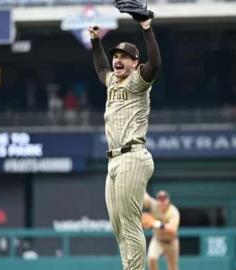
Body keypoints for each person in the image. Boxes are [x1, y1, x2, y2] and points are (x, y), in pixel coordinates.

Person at [89, 16, 161, 270]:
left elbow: (155, 63)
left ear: (134, 63)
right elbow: (100, 69)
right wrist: (96, 42)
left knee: (130, 223)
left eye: (123, 56)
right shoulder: (112, 81)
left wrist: (146, 28)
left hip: (133, 154)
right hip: (115, 160)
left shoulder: (139, 80)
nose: (117, 60)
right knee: (118, 226)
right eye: (115, 55)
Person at [143, 191, 180, 270]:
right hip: (158, 240)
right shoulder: (154, 204)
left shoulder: (173, 211)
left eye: (164, 199)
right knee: (151, 258)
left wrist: (155, 223)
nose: (162, 201)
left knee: (173, 268)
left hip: (171, 242)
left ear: (168, 200)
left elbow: (172, 229)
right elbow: (145, 197)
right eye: (160, 199)